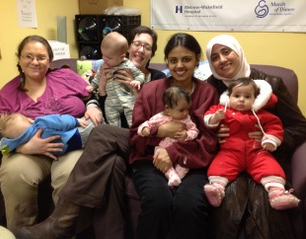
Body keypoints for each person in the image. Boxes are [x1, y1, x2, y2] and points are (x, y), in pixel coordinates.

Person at [13, 26, 166, 239]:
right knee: (111, 166)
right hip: (118, 145)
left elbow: (160, 117)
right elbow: (92, 98)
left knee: (101, 133)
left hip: (141, 138)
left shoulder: (157, 78)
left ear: (152, 53)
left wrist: (136, 92)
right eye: (137, 44)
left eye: (147, 47)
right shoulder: (106, 68)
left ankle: (59, 223)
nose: (140, 50)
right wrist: (100, 90)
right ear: (128, 48)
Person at [0, 35, 101, 231]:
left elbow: (91, 94)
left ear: (49, 59)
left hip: (70, 144)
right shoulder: (7, 92)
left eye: (41, 57)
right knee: (14, 174)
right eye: (28, 56)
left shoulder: (66, 77)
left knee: (68, 176)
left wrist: (92, 106)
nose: (35, 62)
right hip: (30, 151)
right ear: (19, 59)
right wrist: (23, 147)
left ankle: (60, 233)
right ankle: (21, 232)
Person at [206, 34, 306, 239]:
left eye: (226, 52)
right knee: (227, 206)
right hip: (226, 160)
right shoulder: (209, 88)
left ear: (238, 52)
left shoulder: (273, 84)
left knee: (266, 209)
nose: (222, 60)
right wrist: (214, 135)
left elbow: (299, 125)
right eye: (214, 57)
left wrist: (270, 138)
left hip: (265, 158)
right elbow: (198, 126)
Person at [129, 33, 219, 239]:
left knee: (189, 205)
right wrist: (159, 131)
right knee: (158, 202)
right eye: (173, 60)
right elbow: (135, 137)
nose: (179, 65)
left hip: (193, 163)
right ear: (167, 61)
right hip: (149, 161)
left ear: (197, 59)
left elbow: (209, 140)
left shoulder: (208, 93)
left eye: (186, 59)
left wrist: (173, 151)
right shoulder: (150, 90)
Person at [203, 77, 300, 210]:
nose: (241, 100)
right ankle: (217, 189)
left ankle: (277, 193)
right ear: (228, 97)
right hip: (230, 152)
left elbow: (274, 126)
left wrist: (270, 139)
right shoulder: (222, 110)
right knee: (218, 168)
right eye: (236, 96)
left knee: (271, 168)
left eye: (247, 96)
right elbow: (208, 119)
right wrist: (215, 118)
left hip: (257, 152)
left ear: (256, 100)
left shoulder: (262, 115)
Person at [138, 86, 199, 187]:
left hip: (181, 149)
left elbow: (195, 130)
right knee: (158, 157)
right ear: (167, 109)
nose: (186, 113)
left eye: (187, 109)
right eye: (181, 110)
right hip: (162, 148)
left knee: (185, 163)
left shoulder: (187, 119)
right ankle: (172, 177)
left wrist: (187, 135)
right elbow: (146, 124)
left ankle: (178, 178)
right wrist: (145, 130)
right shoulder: (160, 117)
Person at [87, 31, 145, 127]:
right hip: (111, 101)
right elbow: (97, 78)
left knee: (133, 118)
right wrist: (92, 86)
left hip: (127, 98)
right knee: (112, 123)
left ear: (121, 57)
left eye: (108, 58)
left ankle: (135, 132)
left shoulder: (128, 65)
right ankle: (115, 133)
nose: (104, 59)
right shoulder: (103, 66)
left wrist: (137, 81)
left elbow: (140, 74)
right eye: (103, 55)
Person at [0, 113, 95, 156]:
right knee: (95, 123)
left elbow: (3, 149)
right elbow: (61, 121)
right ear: (29, 120)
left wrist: (20, 148)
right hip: (76, 135)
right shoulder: (40, 123)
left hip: (68, 148)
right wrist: (74, 120)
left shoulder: (17, 142)